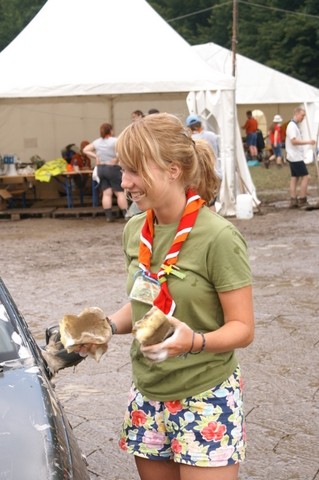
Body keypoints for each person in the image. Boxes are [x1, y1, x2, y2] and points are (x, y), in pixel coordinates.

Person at [77, 113, 255, 480]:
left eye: (135, 172)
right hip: (148, 392)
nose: (125, 183)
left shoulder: (218, 237)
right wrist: (105, 327)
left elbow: (243, 328)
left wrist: (195, 342)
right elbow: (144, 302)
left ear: (173, 170)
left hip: (205, 395)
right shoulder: (134, 230)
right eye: (124, 171)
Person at [83, 123, 128, 221]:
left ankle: (108, 216)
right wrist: (116, 158)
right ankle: (126, 215)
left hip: (100, 169)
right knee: (119, 193)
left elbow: (85, 149)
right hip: (112, 168)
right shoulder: (115, 141)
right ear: (111, 131)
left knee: (106, 193)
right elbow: (124, 150)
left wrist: (96, 156)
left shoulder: (97, 142)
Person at [186, 113, 221, 211]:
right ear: (200, 124)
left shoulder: (189, 140)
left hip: (198, 175)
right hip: (214, 172)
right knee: (211, 202)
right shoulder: (211, 136)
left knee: (200, 203)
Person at [285, 106, 316, 209]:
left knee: (294, 178)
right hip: (295, 157)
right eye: (302, 115)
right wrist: (308, 141)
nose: (303, 118)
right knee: (306, 177)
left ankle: (293, 200)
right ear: (297, 114)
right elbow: (293, 141)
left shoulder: (294, 126)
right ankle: (302, 200)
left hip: (294, 155)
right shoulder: (292, 126)